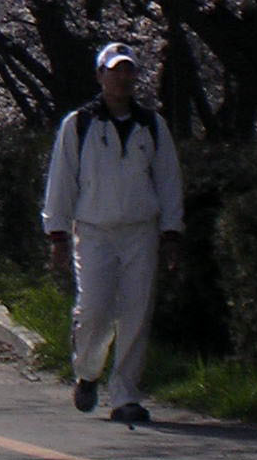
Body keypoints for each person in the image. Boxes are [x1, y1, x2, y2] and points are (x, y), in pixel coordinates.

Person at [42, 41, 185, 427]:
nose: (121, 78)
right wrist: (56, 232)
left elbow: (168, 180)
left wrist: (172, 232)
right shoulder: (80, 124)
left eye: (128, 70)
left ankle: (125, 395)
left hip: (140, 230)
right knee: (94, 310)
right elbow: (62, 180)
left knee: (137, 313)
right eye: (114, 70)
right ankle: (88, 371)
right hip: (93, 231)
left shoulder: (151, 126)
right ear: (100, 75)